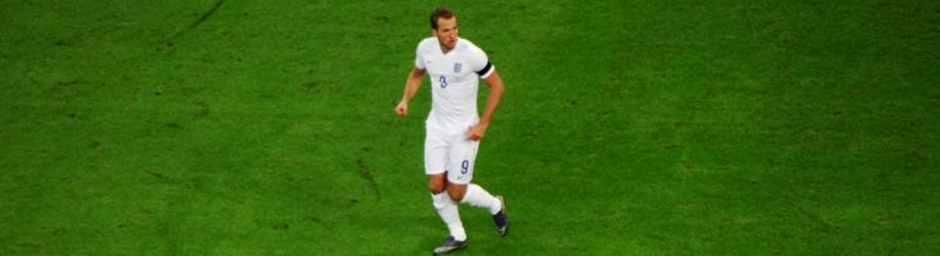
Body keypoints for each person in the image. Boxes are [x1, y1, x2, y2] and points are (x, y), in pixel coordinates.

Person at [394, 6, 510, 255]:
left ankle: (495, 205)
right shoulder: (425, 48)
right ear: (435, 31)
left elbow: (497, 86)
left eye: (455, 28)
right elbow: (416, 75)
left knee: (456, 192)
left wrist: (483, 123)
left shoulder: (471, 54)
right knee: (436, 186)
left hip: (464, 131)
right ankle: (457, 234)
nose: (452, 34)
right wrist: (405, 100)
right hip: (437, 127)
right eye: (446, 30)